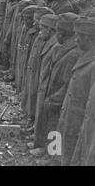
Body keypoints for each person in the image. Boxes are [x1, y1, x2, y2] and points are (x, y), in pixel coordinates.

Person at [35, 13, 81, 157]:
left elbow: (67, 83)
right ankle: (46, 150)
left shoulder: (73, 54)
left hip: (59, 98)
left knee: (56, 128)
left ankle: (52, 157)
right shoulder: (62, 47)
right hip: (52, 93)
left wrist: (55, 98)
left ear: (63, 33)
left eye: (58, 32)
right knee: (50, 124)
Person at [58, 17, 95, 166]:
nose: (75, 41)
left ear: (88, 38)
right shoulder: (85, 55)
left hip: (80, 117)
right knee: (65, 145)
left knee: (75, 151)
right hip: (71, 112)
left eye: (78, 37)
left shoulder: (93, 63)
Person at [30, 14, 59, 155]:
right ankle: (40, 142)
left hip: (52, 90)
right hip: (44, 86)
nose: (39, 31)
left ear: (51, 29)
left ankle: (51, 151)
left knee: (52, 122)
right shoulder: (48, 41)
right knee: (42, 116)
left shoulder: (55, 45)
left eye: (42, 28)